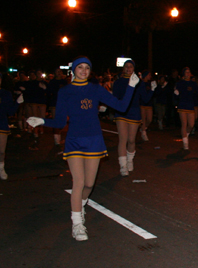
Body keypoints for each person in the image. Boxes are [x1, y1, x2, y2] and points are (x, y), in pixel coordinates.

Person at [27, 57, 139, 241]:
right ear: (73, 70)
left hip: (94, 140)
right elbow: (61, 121)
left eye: (87, 67)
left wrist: (131, 87)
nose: (84, 70)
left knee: (89, 184)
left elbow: (121, 106)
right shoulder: (65, 92)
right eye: (80, 67)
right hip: (74, 141)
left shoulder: (96, 89)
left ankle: (81, 204)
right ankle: (77, 224)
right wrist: (43, 121)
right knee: (78, 183)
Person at [113, 59, 153, 176]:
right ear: (123, 68)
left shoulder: (138, 83)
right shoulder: (118, 82)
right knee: (123, 139)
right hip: (121, 113)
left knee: (131, 140)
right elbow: (115, 98)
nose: (128, 68)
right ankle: (123, 165)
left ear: (133, 69)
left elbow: (145, 99)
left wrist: (152, 90)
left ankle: (130, 160)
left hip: (134, 113)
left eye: (131, 67)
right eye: (126, 66)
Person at [174, 67, 198, 150]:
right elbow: (176, 95)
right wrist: (176, 93)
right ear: (184, 74)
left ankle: (186, 135)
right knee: (184, 124)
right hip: (182, 105)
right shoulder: (180, 83)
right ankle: (185, 142)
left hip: (190, 106)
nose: (188, 74)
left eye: (189, 72)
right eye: (186, 72)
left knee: (191, 124)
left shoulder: (193, 84)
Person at [46, 68, 68, 149]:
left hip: (63, 104)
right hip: (54, 103)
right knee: (56, 120)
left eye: (60, 72)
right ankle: (56, 140)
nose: (59, 73)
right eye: (57, 72)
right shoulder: (52, 82)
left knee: (63, 121)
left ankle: (59, 137)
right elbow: (49, 92)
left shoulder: (64, 82)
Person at [25, 70, 47, 150]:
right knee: (35, 117)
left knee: (42, 117)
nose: (38, 75)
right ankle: (36, 133)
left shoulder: (44, 82)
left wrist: (44, 88)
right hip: (34, 102)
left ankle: (40, 131)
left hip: (42, 101)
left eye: (39, 74)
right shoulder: (32, 83)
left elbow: (48, 91)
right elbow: (29, 92)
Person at [139, 70, 155, 142]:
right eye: (149, 75)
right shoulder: (141, 84)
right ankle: (144, 133)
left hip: (149, 104)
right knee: (143, 119)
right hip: (142, 103)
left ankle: (143, 129)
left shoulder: (150, 83)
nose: (150, 76)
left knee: (149, 119)